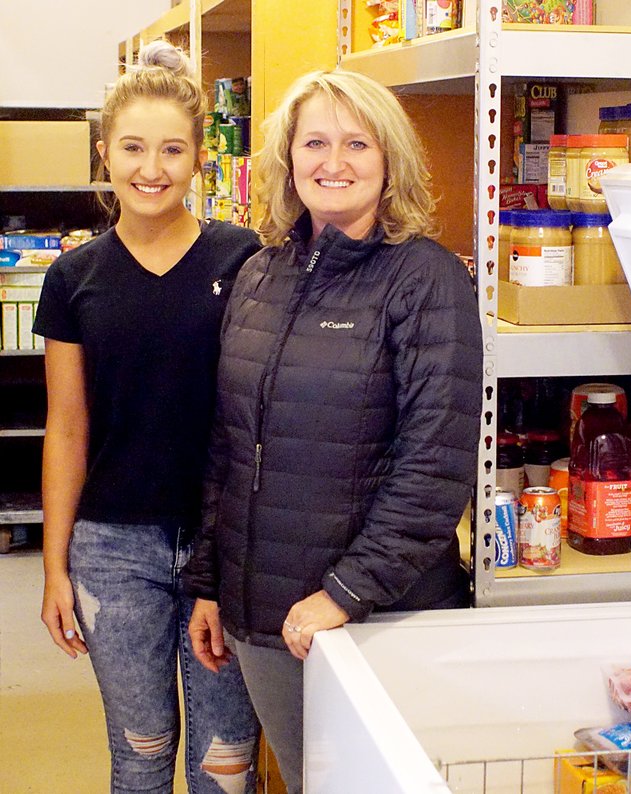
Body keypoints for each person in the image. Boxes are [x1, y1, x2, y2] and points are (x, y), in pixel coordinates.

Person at [183, 69, 483, 793]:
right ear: (288, 159)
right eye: (314, 142)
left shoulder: (425, 280)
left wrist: (345, 593)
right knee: (307, 777)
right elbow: (228, 448)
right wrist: (211, 583)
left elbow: (436, 466)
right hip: (266, 618)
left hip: (374, 617)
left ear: (390, 162)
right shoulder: (259, 275)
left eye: (357, 143)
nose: (334, 162)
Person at [33, 40, 262, 794]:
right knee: (141, 751)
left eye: (171, 149)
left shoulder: (245, 259)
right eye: (132, 147)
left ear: (201, 157)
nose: (151, 168)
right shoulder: (74, 276)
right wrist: (55, 565)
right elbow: (67, 429)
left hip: (225, 545)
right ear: (105, 153)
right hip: (112, 549)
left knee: (225, 760)